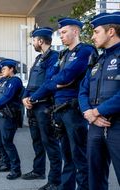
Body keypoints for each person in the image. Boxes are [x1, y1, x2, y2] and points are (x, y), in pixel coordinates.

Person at [30, 18, 97, 190]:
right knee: (67, 155)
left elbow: (67, 75)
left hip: (73, 110)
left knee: (79, 156)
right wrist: (58, 83)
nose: (61, 36)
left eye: (64, 32)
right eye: (60, 33)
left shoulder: (85, 51)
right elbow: (51, 79)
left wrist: (59, 81)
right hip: (60, 109)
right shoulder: (63, 55)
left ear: (75, 32)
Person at [79, 12, 120, 190]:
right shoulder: (98, 60)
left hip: (117, 126)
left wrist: (97, 111)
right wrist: (90, 114)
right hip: (95, 125)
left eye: (96, 32)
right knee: (94, 177)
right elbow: (83, 90)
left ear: (111, 31)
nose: (93, 36)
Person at [22, 27, 62, 190]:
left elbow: (48, 83)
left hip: (44, 105)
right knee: (37, 141)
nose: (32, 43)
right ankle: (38, 171)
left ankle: (55, 181)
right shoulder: (39, 58)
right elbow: (31, 81)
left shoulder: (54, 57)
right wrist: (25, 97)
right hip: (33, 105)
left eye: (33, 40)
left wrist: (32, 98)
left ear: (40, 41)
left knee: (50, 143)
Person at [0, 59, 24, 180]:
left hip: (8, 116)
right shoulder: (4, 81)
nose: (2, 71)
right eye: (2, 69)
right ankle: (6, 163)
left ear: (11, 69)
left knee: (7, 142)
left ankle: (16, 169)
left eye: (4, 69)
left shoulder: (15, 81)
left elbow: (7, 96)